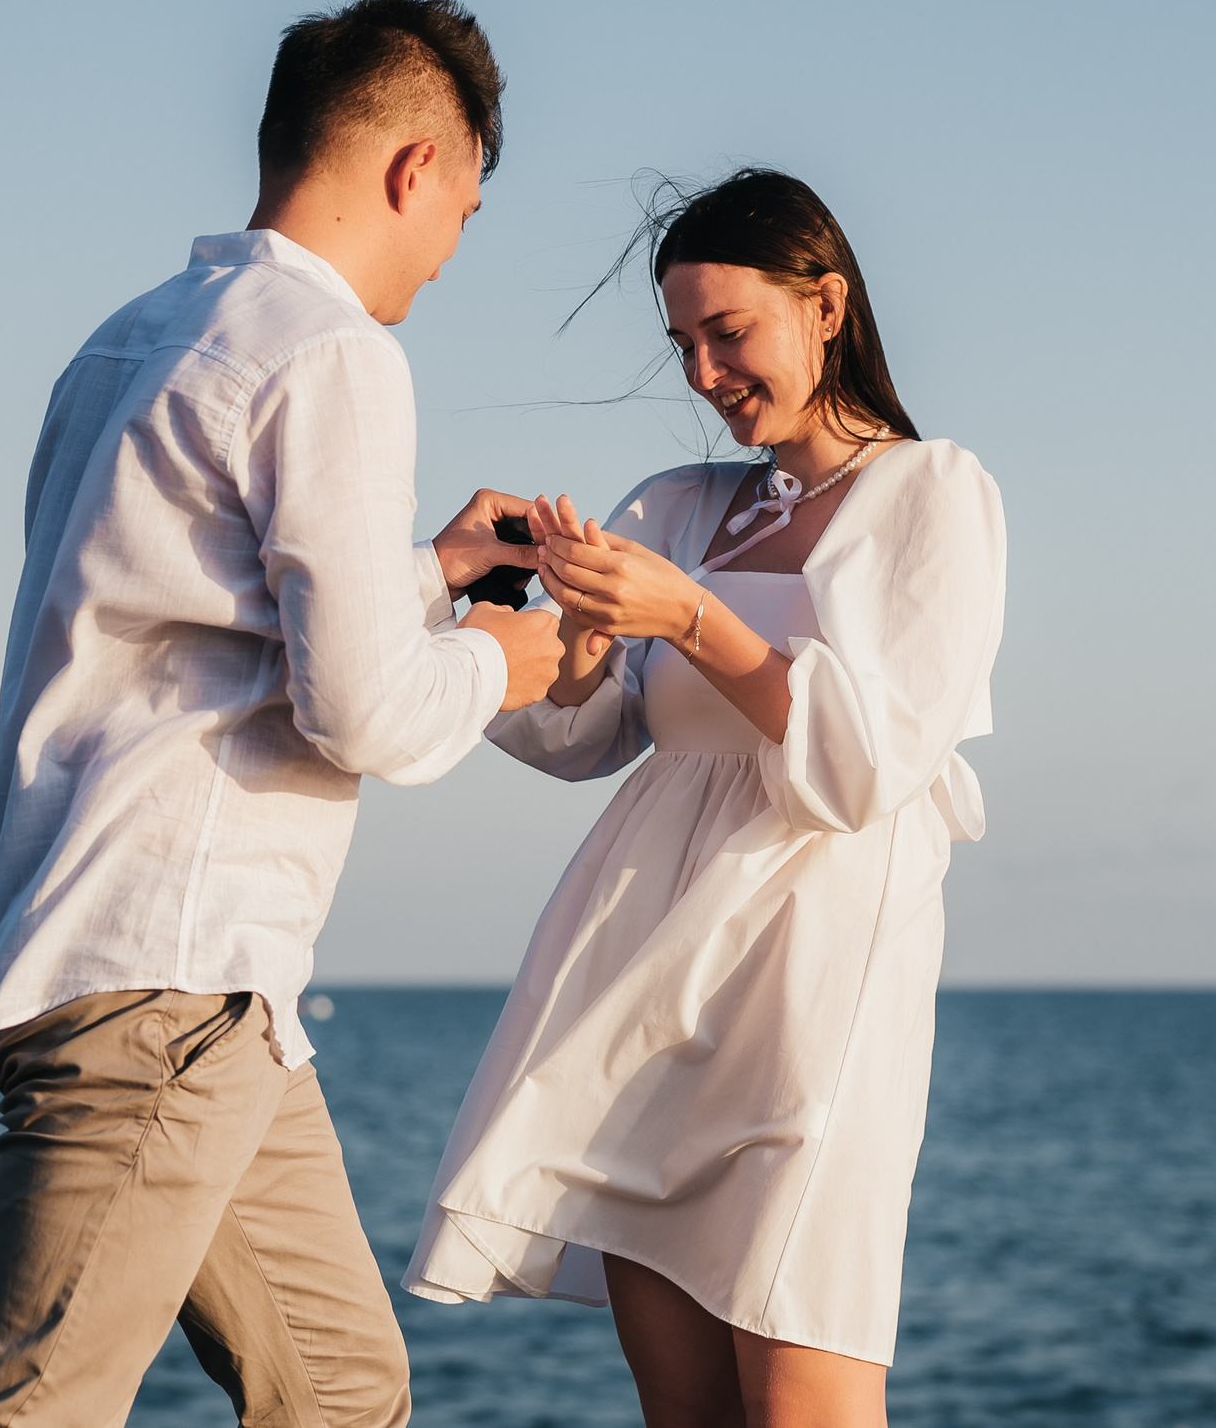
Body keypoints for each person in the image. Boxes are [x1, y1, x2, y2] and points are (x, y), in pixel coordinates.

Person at [0, 0, 565, 1428]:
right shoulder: (336, 353)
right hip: (169, 979)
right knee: (23, 1415)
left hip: (191, 984)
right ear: (418, 170)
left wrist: (439, 569)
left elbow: (194, 615)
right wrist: (502, 665)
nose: (451, 256)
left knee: (338, 1385)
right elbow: (365, 712)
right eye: (466, 207)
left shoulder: (129, 341)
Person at [403, 169, 1007, 1428]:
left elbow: (867, 764)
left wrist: (690, 614)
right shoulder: (680, 506)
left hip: (813, 985)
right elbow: (589, 736)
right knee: (681, 1408)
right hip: (646, 975)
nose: (702, 372)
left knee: (803, 1391)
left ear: (825, 304)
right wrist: (555, 626)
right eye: (682, 342)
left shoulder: (933, 494)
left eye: (726, 332)